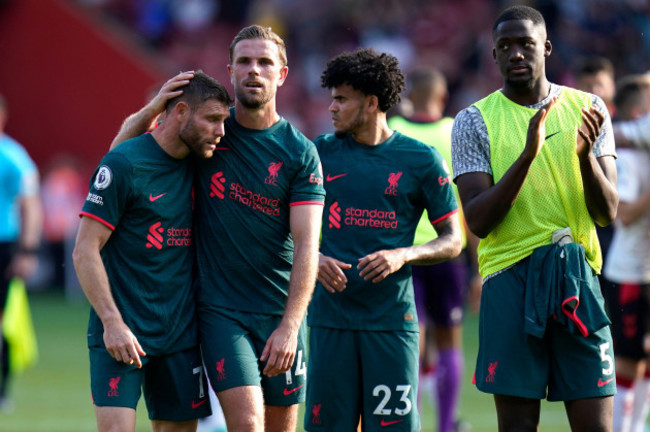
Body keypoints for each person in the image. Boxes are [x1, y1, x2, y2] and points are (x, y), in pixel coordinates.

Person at [109, 26, 326, 432]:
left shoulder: (300, 153)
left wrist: (291, 327)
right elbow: (121, 158)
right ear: (230, 71)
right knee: (247, 424)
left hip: (281, 312)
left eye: (264, 62)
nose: (253, 70)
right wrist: (155, 107)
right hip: (220, 311)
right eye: (244, 61)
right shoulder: (207, 133)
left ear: (282, 74)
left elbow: (307, 243)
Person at [451, 5, 618, 432]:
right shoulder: (473, 120)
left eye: (525, 44)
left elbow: (607, 212)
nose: (516, 53)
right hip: (510, 279)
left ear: (546, 47)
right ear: (493, 55)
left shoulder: (589, 108)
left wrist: (584, 159)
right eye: (504, 46)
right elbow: (479, 221)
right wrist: (528, 154)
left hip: (577, 277)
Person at [304, 48, 462, 432]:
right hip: (330, 319)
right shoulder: (318, 153)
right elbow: (279, 226)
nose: (332, 107)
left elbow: (454, 239)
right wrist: (315, 256)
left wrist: (403, 255)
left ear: (372, 103)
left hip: (391, 321)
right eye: (332, 98)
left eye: (342, 99)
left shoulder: (420, 159)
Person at [73, 71, 232, 432]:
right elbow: (84, 251)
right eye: (211, 119)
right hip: (121, 330)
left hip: (180, 334)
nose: (220, 132)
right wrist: (112, 323)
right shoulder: (126, 163)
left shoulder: (204, 163)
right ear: (178, 111)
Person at [387, 68, 478, 432]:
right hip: (447, 250)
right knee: (449, 341)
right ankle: (445, 426)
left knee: (414, 341)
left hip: (405, 252)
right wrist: (478, 266)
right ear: (441, 97)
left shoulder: (395, 129)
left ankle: (414, 422)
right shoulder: (456, 130)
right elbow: (469, 199)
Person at [601, 74, 650, 432]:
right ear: (638, 112)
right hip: (629, 272)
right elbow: (626, 214)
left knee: (646, 358)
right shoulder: (631, 159)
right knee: (628, 360)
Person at [0, 94, 42, 412]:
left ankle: (2, 390)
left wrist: (27, 250)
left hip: (4, 245)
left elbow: (31, 204)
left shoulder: (13, 156)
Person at [572, 56, 617, 269]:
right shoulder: (572, 125)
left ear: (612, 87)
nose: (594, 92)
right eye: (588, 86)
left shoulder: (626, 123)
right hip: (589, 217)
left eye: (599, 85)